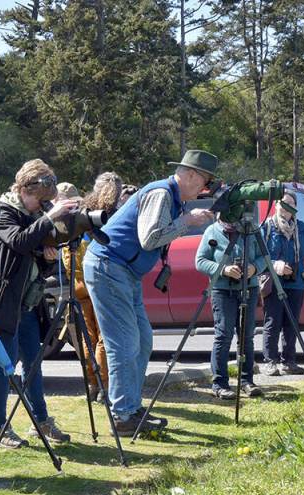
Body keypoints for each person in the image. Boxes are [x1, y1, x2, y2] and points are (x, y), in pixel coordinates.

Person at [84, 150, 216, 434]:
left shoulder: (174, 197)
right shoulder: (162, 194)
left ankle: (131, 407)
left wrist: (184, 220)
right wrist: (187, 222)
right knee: (124, 342)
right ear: (190, 174)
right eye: (204, 181)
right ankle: (121, 416)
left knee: (142, 341)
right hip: (109, 267)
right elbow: (150, 238)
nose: (204, 189)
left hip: (124, 272)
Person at [0, 160, 76, 449]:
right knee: (3, 365)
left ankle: (40, 422)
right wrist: (50, 216)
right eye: (39, 200)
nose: (41, 206)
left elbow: (30, 255)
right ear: (23, 189)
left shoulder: (31, 214)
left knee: (33, 363)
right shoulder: (2, 211)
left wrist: (47, 258)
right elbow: (18, 242)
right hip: (2, 300)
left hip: (27, 301)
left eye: (46, 203)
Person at [196, 206, 268, 400]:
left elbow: (265, 256)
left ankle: (247, 381)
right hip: (222, 290)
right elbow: (200, 261)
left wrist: (254, 268)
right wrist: (224, 269)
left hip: (249, 289)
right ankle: (220, 384)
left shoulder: (251, 229)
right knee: (224, 334)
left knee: (247, 336)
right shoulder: (212, 231)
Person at [66, 173, 122, 401]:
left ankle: (92, 384)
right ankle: (105, 385)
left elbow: (66, 254)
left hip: (78, 284)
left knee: (87, 337)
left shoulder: (82, 214)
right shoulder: (113, 217)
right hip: (101, 283)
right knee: (104, 338)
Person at [260, 189, 304, 376]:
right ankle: (270, 361)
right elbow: (258, 254)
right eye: (282, 203)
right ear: (276, 205)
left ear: (294, 208)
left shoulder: (302, 228)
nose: (286, 208)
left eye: (290, 204)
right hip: (274, 282)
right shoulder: (267, 227)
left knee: (292, 323)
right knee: (273, 322)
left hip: (296, 284)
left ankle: (289, 361)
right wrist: (274, 265)